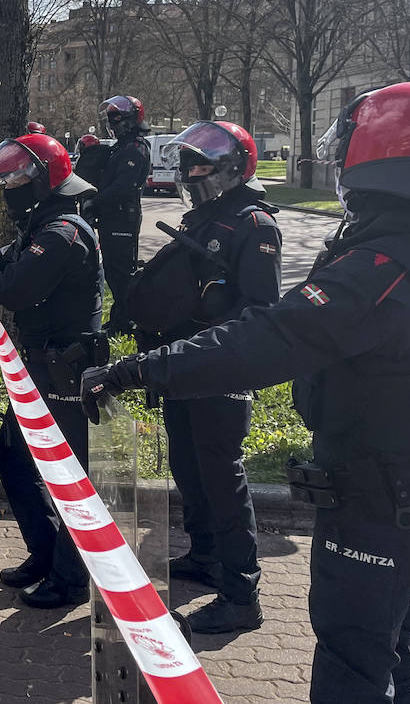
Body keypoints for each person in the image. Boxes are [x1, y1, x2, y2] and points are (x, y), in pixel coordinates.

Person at [81, 82, 410, 704]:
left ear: (379, 156)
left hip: (378, 494)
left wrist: (135, 370)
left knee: (354, 656)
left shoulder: (378, 273)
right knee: (390, 646)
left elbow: (262, 338)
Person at [127, 120, 281, 634]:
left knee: (222, 477)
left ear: (234, 167)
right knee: (188, 466)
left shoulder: (254, 225)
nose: (192, 172)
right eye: (188, 163)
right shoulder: (204, 217)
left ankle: (241, 592)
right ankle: (205, 554)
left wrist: (215, 329)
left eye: (202, 163)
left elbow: (260, 310)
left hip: (221, 370)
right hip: (183, 365)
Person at [0, 133, 104, 609]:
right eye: (6, 177)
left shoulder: (64, 232)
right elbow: (7, 268)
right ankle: (44, 554)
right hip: (35, 366)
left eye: (18, 176)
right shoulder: (39, 226)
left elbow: (17, 287)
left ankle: (71, 578)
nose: (9, 185)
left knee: (68, 477)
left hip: (65, 370)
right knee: (15, 459)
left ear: (45, 178)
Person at [90, 95, 151, 333]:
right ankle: (121, 317)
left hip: (123, 217)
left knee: (122, 272)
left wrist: (95, 202)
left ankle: (127, 321)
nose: (113, 123)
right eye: (110, 118)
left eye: (117, 117)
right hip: (111, 216)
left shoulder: (136, 148)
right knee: (114, 273)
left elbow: (123, 187)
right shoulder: (121, 148)